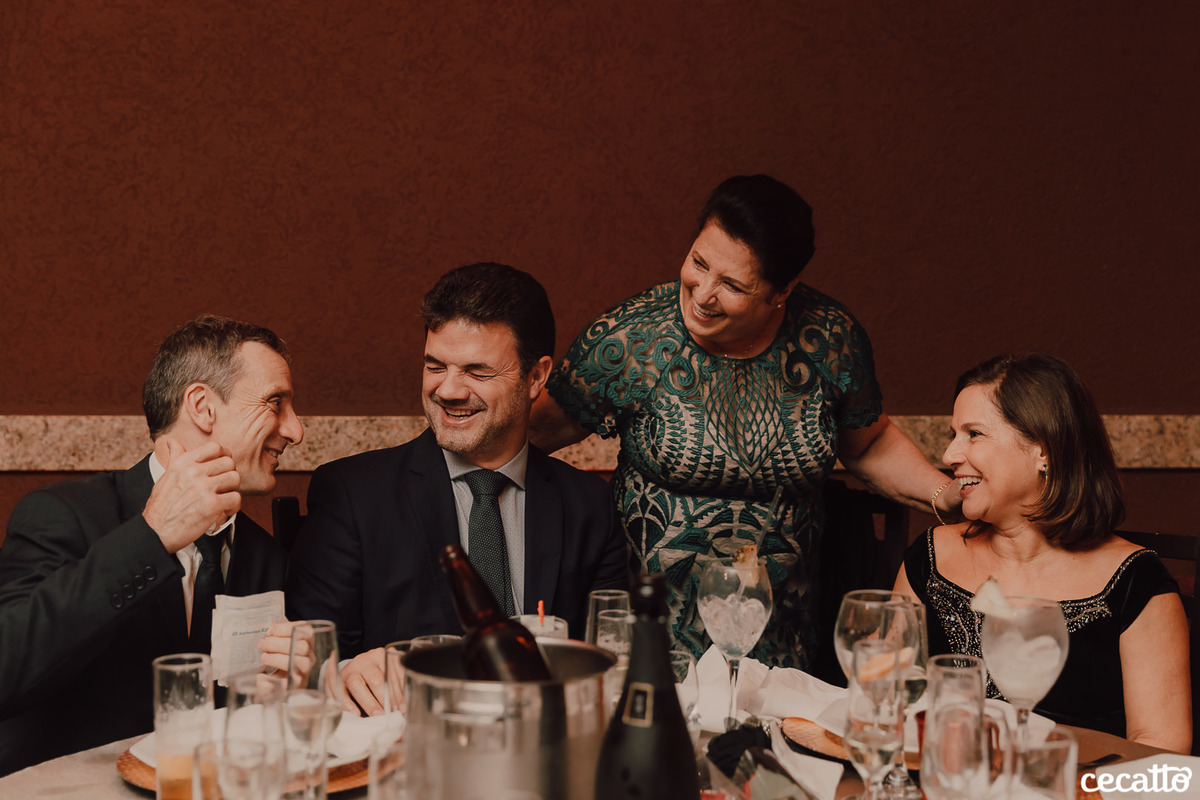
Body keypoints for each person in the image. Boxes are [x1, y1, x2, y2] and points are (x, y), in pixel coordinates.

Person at [530, 175, 954, 669]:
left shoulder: (829, 337)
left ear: (782, 291)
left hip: (784, 647)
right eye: (699, 263)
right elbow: (530, 439)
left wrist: (945, 495)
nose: (703, 293)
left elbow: (868, 444)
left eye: (732, 285)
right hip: (653, 647)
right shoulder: (632, 339)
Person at [286, 262, 628, 715]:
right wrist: (347, 670)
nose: (448, 390)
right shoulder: (352, 494)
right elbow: (305, 658)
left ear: (535, 377)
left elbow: (611, 660)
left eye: (476, 371)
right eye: (435, 366)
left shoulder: (589, 506)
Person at [0, 315, 304, 775]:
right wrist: (152, 536)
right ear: (202, 407)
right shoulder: (61, 515)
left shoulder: (266, 557)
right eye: (275, 403)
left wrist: (285, 690)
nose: (295, 430)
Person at [895, 353, 1191, 752]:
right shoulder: (930, 557)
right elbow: (884, 699)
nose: (949, 455)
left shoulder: (1137, 582)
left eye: (974, 434)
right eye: (954, 434)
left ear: (1044, 451)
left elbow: (1162, 753)